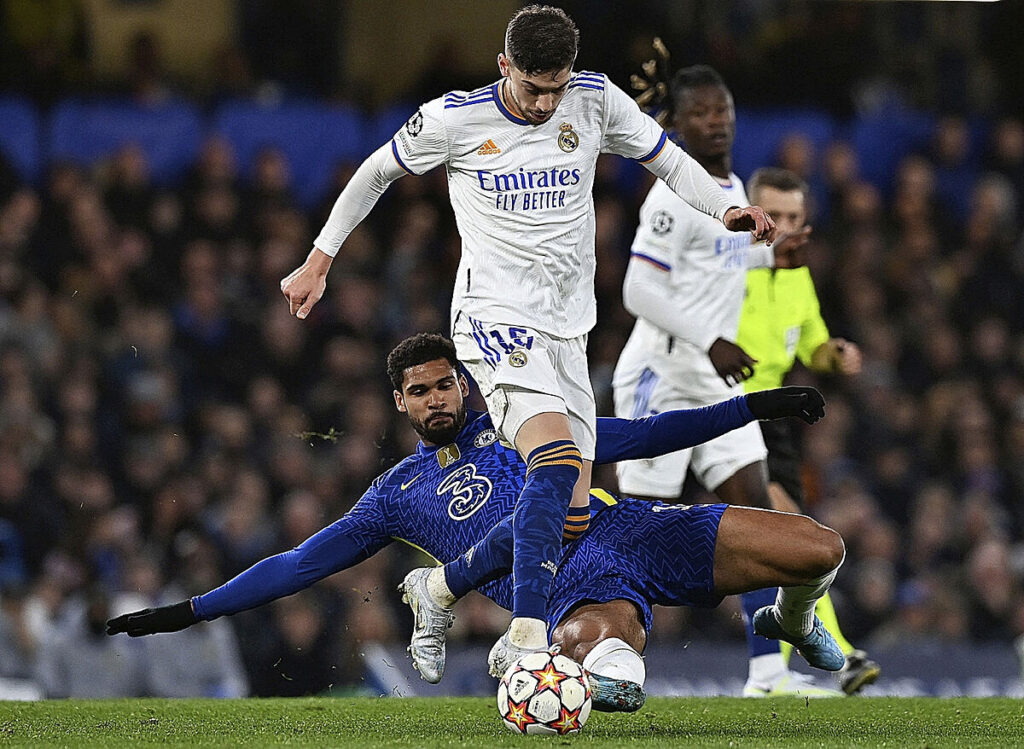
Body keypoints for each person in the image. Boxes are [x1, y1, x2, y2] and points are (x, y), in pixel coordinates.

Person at [278, 5, 775, 677]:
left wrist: (726, 208)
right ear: (504, 66)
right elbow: (375, 172)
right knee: (556, 457)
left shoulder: (595, 99)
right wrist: (319, 260)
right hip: (493, 319)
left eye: (556, 88)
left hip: (568, 328)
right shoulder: (455, 119)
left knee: (570, 516)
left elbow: (667, 159)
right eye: (534, 88)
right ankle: (527, 634)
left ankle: (441, 586)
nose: (546, 104)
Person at [107, 333, 846, 713]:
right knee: (615, 665)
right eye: (419, 391)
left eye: (445, 384)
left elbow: (646, 434)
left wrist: (759, 405)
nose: (436, 399)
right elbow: (299, 563)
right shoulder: (396, 494)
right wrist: (191, 610)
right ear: (400, 402)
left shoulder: (527, 423)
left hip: (633, 528)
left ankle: (791, 617)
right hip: (566, 586)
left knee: (820, 548)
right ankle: (557, 661)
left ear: (464, 384)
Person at [611, 60, 830, 697]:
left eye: (723, 110)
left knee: (759, 515)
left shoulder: (733, 190)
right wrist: (711, 339)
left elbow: (718, 267)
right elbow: (637, 289)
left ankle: (767, 675)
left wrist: (771, 256)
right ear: (676, 125)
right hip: (660, 378)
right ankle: (606, 659)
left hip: (715, 382)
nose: (716, 121)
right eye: (701, 112)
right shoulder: (669, 195)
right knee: (637, 533)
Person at [735, 166, 880, 695]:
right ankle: (832, 657)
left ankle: (790, 668)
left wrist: (834, 355)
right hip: (713, 406)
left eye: (795, 216)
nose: (785, 226)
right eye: (774, 215)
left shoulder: (797, 276)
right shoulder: (726, 265)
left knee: (788, 535)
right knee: (783, 530)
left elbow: (812, 346)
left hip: (771, 417)